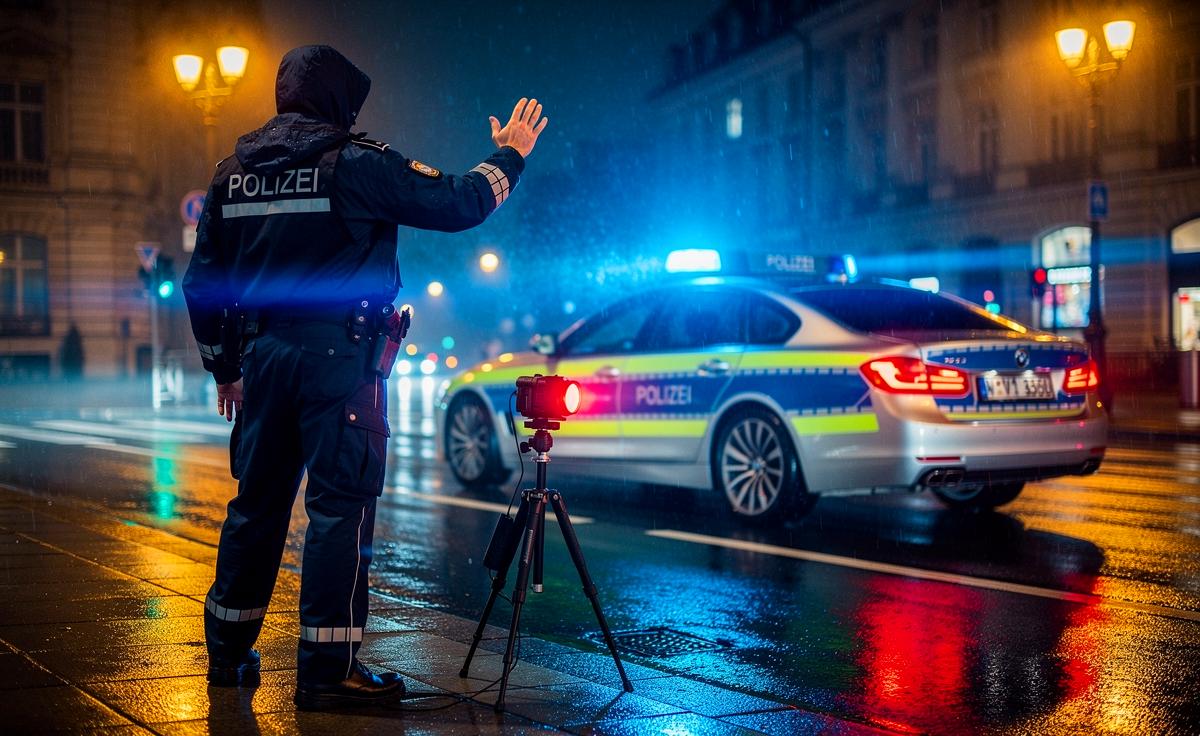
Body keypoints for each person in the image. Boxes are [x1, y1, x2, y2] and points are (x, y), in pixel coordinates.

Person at [182, 45, 547, 711]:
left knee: (255, 509)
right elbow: (460, 201)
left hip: (262, 364)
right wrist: (511, 154)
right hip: (339, 363)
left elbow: (202, 283)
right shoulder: (353, 164)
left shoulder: (230, 174)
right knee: (338, 511)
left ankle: (226, 656)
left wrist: (225, 367)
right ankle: (328, 672)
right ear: (338, 101)